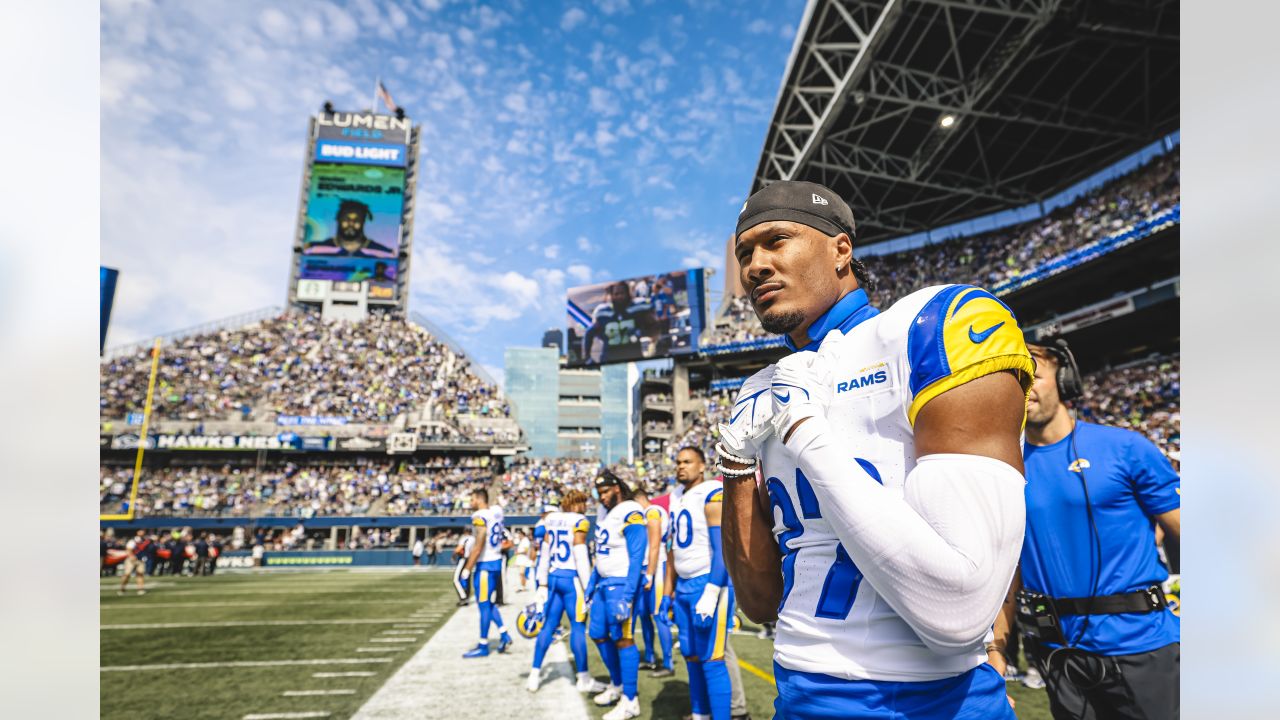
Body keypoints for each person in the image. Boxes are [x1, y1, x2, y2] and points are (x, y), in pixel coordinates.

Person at [718, 180, 1032, 719]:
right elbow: (759, 603)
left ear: (842, 249)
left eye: (777, 240)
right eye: (746, 253)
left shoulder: (935, 325)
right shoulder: (761, 388)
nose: (755, 266)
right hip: (798, 690)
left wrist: (803, 430)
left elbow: (959, 609)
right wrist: (735, 466)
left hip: (933, 699)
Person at [988, 339, 1181, 719]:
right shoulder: (1005, 471)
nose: (1024, 389)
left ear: (1065, 380)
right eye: (1014, 380)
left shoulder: (1127, 448)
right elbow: (1008, 572)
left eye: (1033, 376)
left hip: (1141, 646)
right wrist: (997, 652)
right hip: (1058, 655)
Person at [665, 446, 736, 720]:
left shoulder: (712, 492)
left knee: (712, 659)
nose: (681, 466)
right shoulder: (678, 497)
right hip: (683, 586)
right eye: (678, 462)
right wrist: (668, 591)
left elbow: (724, 549)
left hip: (707, 582)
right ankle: (700, 715)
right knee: (691, 656)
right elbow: (673, 549)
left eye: (688, 462)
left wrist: (712, 589)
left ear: (702, 465)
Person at [587, 469, 649, 720]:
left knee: (623, 639)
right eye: (598, 493)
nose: (601, 497)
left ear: (616, 488)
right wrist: (591, 585)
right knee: (598, 634)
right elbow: (601, 554)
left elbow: (637, 556)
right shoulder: (607, 514)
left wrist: (628, 595)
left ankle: (631, 700)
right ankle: (618, 684)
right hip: (603, 584)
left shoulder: (630, 510)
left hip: (621, 583)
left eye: (605, 491)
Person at [526, 490, 602, 694]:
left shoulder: (552, 519)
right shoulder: (579, 520)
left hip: (553, 577)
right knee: (577, 627)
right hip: (572, 580)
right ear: (578, 504)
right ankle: (583, 678)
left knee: (547, 627)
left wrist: (542, 583)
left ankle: (534, 674)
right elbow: (580, 555)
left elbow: (544, 553)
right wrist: (589, 589)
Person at [460, 489, 513, 658]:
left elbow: (479, 544)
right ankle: (504, 634)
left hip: (486, 565)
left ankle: (483, 645)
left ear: (479, 499)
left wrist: (467, 569)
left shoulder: (480, 516)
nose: (470, 502)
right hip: (496, 561)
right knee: (488, 604)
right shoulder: (496, 512)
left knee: (483, 605)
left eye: (472, 499)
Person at [631, 482, 675, 678]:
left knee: (659, 616)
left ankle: (668, 662)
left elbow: (655, 545)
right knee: (644, 615)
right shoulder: (647, 512)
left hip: (656, 569)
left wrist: (649, 573)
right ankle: (649, 657)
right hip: (647, 568)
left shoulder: (652, 511)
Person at [581, 281, 661, 364]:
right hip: (609, 358)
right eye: (616, 294)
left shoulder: (638, 307)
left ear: (628, 293)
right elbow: (589, 333)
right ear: (611, 295)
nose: (619, 296)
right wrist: (587, 357)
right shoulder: (602, 311)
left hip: (633, 357)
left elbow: (655, 327)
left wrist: (644, 333)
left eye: (622, 293)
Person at [305, 199, 395, 258]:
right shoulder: (313, 248)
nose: (351, 224)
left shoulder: (384, 253)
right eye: (346, 219)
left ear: (363, 222)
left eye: (356, 220)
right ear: (338, 219)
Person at [118, 530, 149, 596]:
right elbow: (128, 549)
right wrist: (131, 556)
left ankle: (140, 589)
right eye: (140, 531)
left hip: (140, 560)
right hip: (131, 559)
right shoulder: (132, 541)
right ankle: (122, 588)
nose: (142, 533)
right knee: (127, 574)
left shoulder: (145, 541)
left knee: (140, 574)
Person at [452, 531, 475, 606]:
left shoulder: (464, 538)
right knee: (467, 579)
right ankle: (467, 597)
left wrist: (454, 554)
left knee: (456, 579)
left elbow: (459, 549)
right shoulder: (473, 538)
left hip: (463, 559)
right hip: (470, 559)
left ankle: (463, 597)